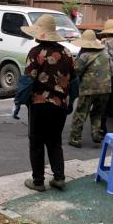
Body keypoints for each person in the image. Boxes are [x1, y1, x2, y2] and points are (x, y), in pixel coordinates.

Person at [19, 14, 75, 192]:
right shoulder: (66, 53)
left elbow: (28, 81)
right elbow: (74, 81)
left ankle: (38, 181)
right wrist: (70, 102)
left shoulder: (36, 53)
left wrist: (18, 101)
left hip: (39, 103)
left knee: (36, 142)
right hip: (60, 105)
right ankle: (59, 178)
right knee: (54, 141)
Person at [68, 30, 112, 148]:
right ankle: (96, 134)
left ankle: (75, 138)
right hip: (106, 88)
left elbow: (76, 71)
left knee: (81, 112)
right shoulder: (105, 53)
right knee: (97, 112)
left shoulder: (84, 55)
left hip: (89, 88)